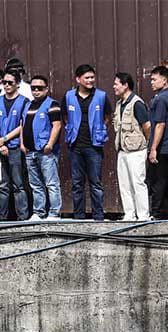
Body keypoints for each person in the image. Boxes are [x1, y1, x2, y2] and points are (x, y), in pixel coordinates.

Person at [64, 64, 109, 220]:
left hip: (94, 146)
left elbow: (107, 117)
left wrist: (99, 131)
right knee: (77, 184)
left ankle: (98, 216)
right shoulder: (69, 96)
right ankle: (79, 216)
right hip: (75, 146)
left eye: (92, 77)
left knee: (96, 183)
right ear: (78, 79)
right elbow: (65, 117)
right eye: (87, 78)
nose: (90, 80)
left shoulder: (101, 96)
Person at [19, 75, 64, 220]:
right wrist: (22, 144)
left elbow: (57, 125)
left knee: (51, 183)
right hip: (30, 151)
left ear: (47, 89)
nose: (36, 91)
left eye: (40, 88)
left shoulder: (52, 104)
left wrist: (50, 144)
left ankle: (54, 213)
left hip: (45, 152)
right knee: (35, 185)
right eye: (33, 88)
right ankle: (39, 212)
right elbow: (22, 124)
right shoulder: (28, 105)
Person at [112, 72, 151, 220]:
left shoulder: (137, 103)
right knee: (124, 184)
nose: (114, 87)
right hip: (122, 150)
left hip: (136, 150)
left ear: (125, 85)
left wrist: (146, 145)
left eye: (116, 84)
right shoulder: (119, 104)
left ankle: (143, 216)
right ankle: (129, 214)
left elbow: (147, 126)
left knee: (137, 182)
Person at [0, 70, 30, 220]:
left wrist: (6, 139)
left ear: (17, 84)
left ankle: (22, 217)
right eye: (5, 82)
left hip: (14, 147)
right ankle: (1, 218)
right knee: (2, 185)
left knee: (18, 184)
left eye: (10, 83)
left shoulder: (24, 102)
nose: (7, 85)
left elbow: (23, 124)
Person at [148, 66, 168, 219]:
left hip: (163, 147)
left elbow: (160, 124)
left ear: (164, 80)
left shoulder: (161, 99)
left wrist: (153, 148)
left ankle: (157, 212)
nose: (151, 82)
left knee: (159, 180)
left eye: (154, 79)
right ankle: (164, 212)